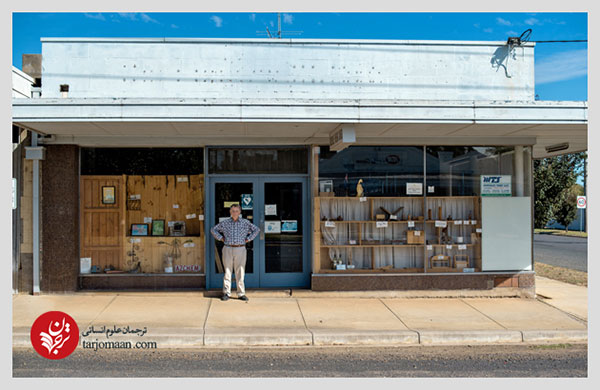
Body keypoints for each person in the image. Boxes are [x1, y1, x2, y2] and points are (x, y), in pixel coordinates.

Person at [210, 203, 260, 301]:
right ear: (230, 212)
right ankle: (226, 293)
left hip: (240, 248)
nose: (235, 213)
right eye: (233, 211)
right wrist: (220, 238)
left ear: (240, 212)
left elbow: (257, 229)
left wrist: (248, 239)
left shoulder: (245, 222)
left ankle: (241, 293)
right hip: (228, 248)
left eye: (237, 211)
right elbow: (213, 230)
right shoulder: (225, 223)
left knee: (240, 271)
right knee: (228, 271)